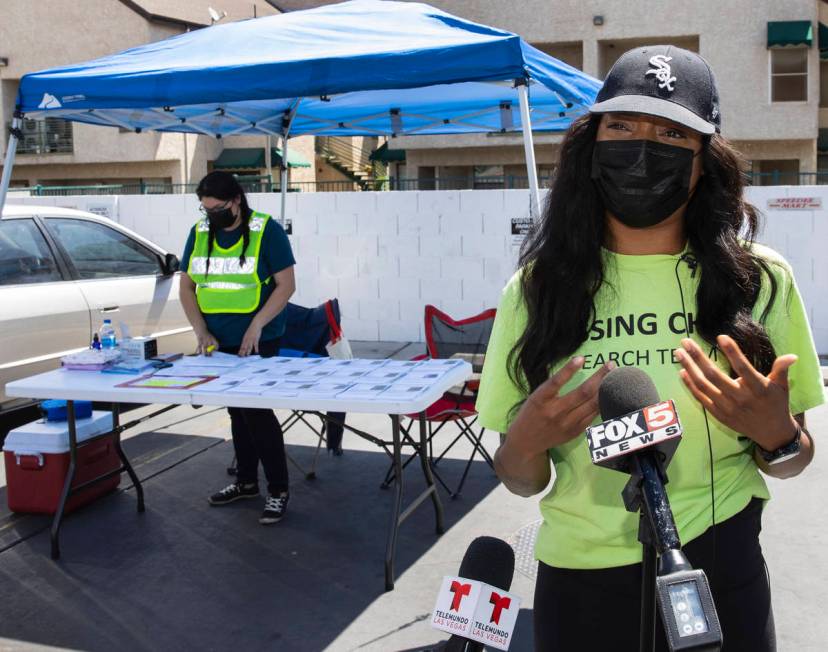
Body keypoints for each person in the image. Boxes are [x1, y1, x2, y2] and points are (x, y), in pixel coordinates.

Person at [476, 45, 824, 651]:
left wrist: (779, 436)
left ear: (701, 163)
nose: (642, 147)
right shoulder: (536, 291)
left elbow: (792, 460)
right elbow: (519, 479)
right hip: (581, 584)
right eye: (622, 126)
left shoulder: (761, 280)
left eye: (670, 133)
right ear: (591, 146)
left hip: (725, 566)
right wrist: (526, 442)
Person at [179, 171, 296, 525]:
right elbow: (186, 288)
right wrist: (201, 332)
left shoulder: (266, 230)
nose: (211, 215)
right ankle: (246, 481)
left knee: (256, 412)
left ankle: (278, 489)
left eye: (216, 208)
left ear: (236, 201)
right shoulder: (200, 233)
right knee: (237, 413)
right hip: (219, 341)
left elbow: (286, 285)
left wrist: (257, 325)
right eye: (205, 209)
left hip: (259, 339)